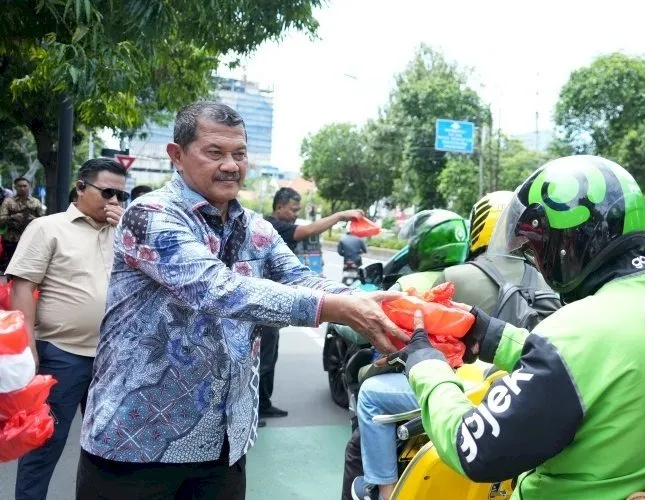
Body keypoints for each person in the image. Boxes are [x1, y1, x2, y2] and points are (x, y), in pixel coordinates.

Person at [75, 101, 408, 499]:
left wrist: (373, 302)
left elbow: (301, 279)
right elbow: (217, 289)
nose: (231, 165)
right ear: (177, 156)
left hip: (222, 444)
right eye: (215, 152)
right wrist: (337, 309)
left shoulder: (255, 227)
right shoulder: (150, 215)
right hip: (135, 442)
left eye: (240, 153)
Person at [383, 155, 645, 499]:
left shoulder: (577, 328)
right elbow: (597, 366)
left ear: (571, 243)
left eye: (540, 248)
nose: (538, 262)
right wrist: (489, 334)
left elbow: (475, 447)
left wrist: (426, 366)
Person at [348, 195, 563, 500]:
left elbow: (421, 326)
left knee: (369, 397)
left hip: (466, 392)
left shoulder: (455, 276)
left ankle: (386, 491)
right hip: (524, 391)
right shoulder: (549, 281)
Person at [7, 158, 128, 500]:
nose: (115, 202)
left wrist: (130, 233)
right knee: (44, 444)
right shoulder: (48, 228)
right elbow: (21, 288)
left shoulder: (125, 232)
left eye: (122, 194)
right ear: (80, 187)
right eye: (107, 192)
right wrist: (26, 345)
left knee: (108, 449)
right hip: (61, 355)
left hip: (113, 359)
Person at [255, 187, 364, 421]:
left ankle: (263, 403)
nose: (295, 214)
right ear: (279, 206)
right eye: (293, 209)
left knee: (269, 355)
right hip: (264, 303)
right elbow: (307, 230)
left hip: (273, 301)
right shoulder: (274, 226)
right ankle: (257, 407)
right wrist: (340, 216)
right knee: (263, 357)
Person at [0, 177, 43, 270]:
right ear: (15, 187)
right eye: (19, 186)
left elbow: (43, 220)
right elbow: (1, 219)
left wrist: (33, 219)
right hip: (12, 239)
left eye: (25, 186)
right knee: (11, 266)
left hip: (31, 239)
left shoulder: (35, 202)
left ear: (29, 187)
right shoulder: (8, 201)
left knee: (30, 266)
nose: (22, 188)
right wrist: (12, 217)